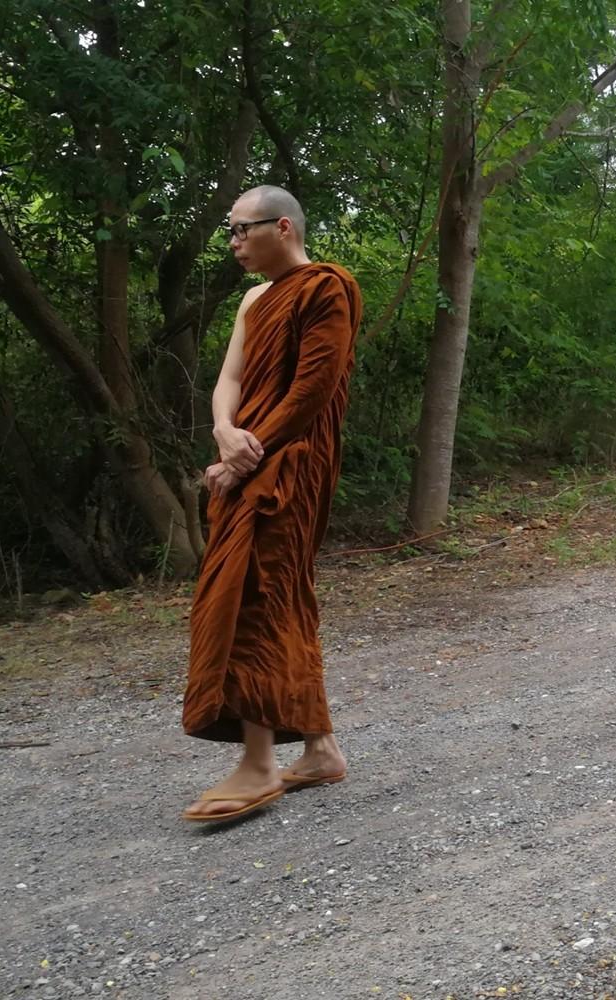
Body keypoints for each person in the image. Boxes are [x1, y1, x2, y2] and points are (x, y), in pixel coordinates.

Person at [183, 185, 362, 822]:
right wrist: (224, 432)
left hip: (292, 463)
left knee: (258, 594)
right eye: (229, 231)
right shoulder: (254, 299)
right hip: (248, 454)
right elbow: (229, 380)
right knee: (286, 596)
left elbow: (314, 389)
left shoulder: (326, 288)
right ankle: (320, 749)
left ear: (282, 227)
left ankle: (258, 763)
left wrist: (246, 455)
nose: (233, 242)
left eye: (242, 229)